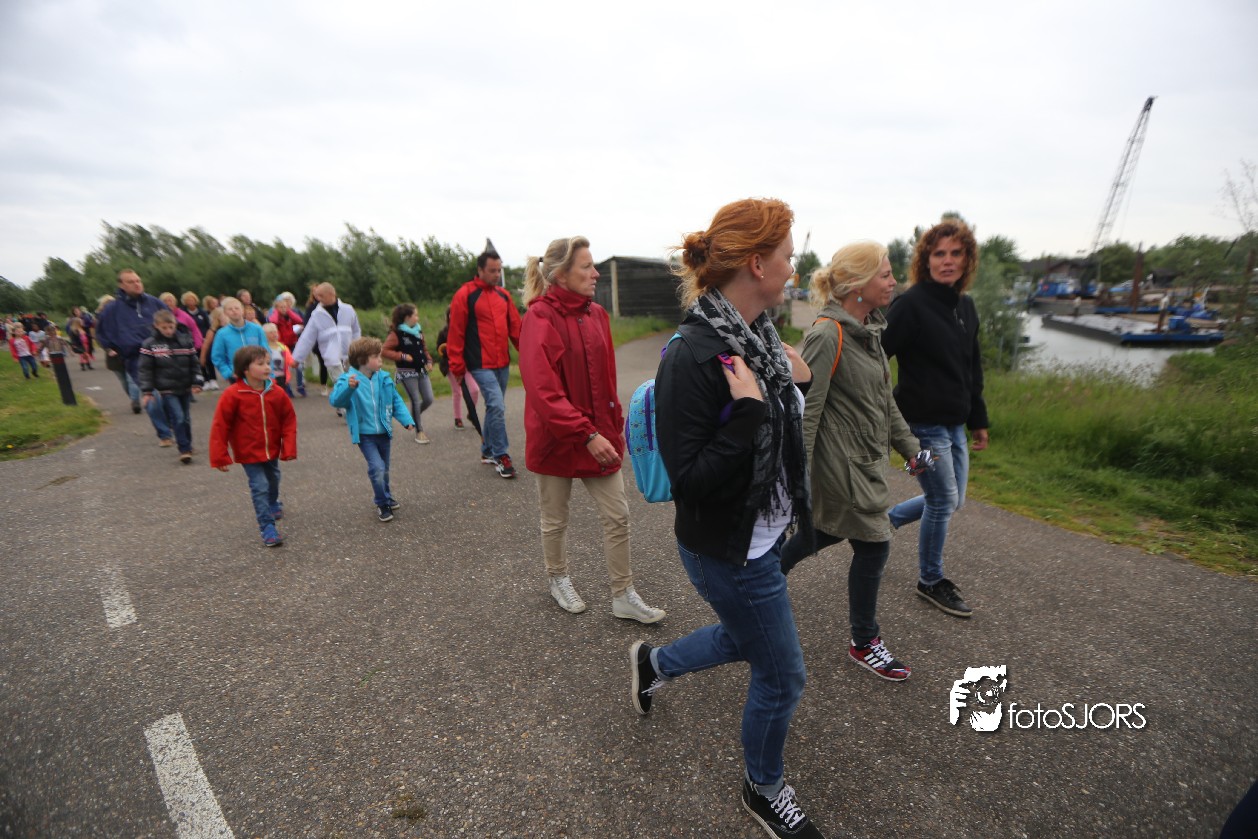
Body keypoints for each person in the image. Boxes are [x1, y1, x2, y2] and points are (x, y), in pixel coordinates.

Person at [628, 198, 825, 839]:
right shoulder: (691, 355)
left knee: (748, 641)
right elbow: (691, 481)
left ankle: (654, 664)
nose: (794, 268)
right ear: (757, 264)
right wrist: (747, 413)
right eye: (788, 256)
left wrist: (794, 384)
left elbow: (776, 422)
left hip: (761, 534)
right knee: (782, 674)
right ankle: (763, 788)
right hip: (727, 548)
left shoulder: (759, 338)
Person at [778, 241, 934, 682]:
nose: (894, 282)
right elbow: (806, 410)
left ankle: (761, 583)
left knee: (822, 533)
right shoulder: (829, 334)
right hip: (840, 469)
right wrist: (796, 478)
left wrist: (911, 448)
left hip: (865, 464)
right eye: (885, 274)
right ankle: (864, 642)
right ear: (857, 285)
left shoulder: (869, 331)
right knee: (874, 543)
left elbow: (885, 402)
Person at [519, 236, 665, 623]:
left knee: (618, 515)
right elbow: (543, 390)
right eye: (586, 267)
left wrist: (613, 426)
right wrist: (586, 434)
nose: (596, 273)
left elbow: (606, 378)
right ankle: (558, 579)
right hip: (556, 438)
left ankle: (623, 594)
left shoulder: (598, 314)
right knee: (555, 518)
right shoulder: (539, 318)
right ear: (561, 275)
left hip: (598, 436)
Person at [882, 219, 989, 619]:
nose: (947, 261)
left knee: (952, 499)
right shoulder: (911, 304)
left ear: (967, 259)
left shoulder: (965, 306)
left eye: (955, 253)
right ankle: (930, 580)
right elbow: (876, 356)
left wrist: (978, 419)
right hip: (921, 424)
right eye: (939, 254)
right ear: (925, 260)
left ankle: (886, 522)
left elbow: (971, 368)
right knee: (942, 500)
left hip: (954, 423)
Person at [209, 345, 298, 548]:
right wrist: (220, 456)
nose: (267, 367)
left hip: (271, 449)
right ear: (245, 369)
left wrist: (289, 447)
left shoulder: (277, 392)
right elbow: (220, 425)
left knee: (274, 479)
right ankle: (267, 527)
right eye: (260, 364)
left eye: (268, 363)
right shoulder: (233, 394)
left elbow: (289, 420)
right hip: (248, 452)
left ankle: (273, 503)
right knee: (260, 486)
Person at [447, 249, 522, 478]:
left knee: (493, 407)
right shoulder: (465, 294)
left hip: (502, 363)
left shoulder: (503, 295)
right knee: (497, 406)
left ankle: (488, 450)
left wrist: (529, 353)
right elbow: (456, 332)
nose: (497, 274)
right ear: (480, 270)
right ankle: (502, 455)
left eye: (499, 270)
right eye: (492, 270)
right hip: (479, 364)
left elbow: (516, 328)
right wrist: (457, 366)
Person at [329, 337, 415, 523]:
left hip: (384, 432)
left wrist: (406, 420)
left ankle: (387, 495)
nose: (380, 360)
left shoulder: (383, 378)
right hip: (365, 435)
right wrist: (349, 389)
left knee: (384, 469)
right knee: (377, 468)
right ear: (362, 360)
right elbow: (336, 401)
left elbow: (396, 400)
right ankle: (381, 502)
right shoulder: (348, 380)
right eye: (376, 357)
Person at [95, 269, 170, 414]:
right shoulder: (112, 309)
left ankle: (174, 424)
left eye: (138, 281)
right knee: (152, 397)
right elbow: (102, 332)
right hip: (136, 359)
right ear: (121, 285)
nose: (136, 284)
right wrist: (110, 348)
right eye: (131, 282)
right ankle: (162, 427)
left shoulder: (154, 303)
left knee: (172, 398)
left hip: (161, 354)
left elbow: (172, 323)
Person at [138, 309, 203, 463]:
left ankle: (188, 444)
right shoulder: (150, 345)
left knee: (186, 418)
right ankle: (184, 449)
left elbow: (194, 364)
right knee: (178, 417)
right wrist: (147, 391)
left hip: (185, 386)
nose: (168, 330)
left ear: (175, 325)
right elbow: (145, 369)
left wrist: (197, 382)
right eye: (164, 328)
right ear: (156, 326)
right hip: (166, 388)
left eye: (171, 327)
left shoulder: (185, 341)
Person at [293, 282, 361, 417]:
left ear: (331, 294)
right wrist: (297, 358)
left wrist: (358, 349)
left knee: (353, 380)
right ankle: (347, 409)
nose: (317, 298)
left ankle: (344, 403)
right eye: (316, 296)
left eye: (321, 295)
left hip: (349, 354)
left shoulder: (348, 309)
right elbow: (307, 337)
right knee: (341, 382)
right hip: (331, 355)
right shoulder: (316, 314)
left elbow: (356, 330)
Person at [382, 304, 435, 444]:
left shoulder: (418, 331)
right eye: (415, 315)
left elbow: (424, 349)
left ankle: (413, 416)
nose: (418, 318)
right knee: (415, 400)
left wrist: (429, 360)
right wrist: (402, 356)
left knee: (429, 399)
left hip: (421, 371)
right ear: (407, 317)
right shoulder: (396, 334)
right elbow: (384, 350)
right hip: (406, 373)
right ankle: (419, 431)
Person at [436, 306, 480, 432]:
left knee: (475, 390)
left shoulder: (468, 330)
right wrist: (447, 349)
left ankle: (471, 413)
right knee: (457, 391)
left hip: (467, 365)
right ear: (448, 316)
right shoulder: (444, 332)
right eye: (451, 314)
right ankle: (457, 418)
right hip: (450, 365)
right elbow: (439, 348)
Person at [210, 297, 268, 384]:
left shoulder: (257, 329)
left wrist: (267, 370)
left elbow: (266, 351)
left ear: (242, 310)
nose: (234, 311)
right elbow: (217, 357)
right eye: (230, 309)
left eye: (237, 308)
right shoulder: (221, 334)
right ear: (225, 313)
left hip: (258, 373)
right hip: (236, 376)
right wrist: (228, 373)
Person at [268, 293, 306, 396]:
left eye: (285, 307)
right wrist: (276, 311)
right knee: (284, 368)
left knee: (298, 365)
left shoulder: (290, 316)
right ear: (276, 308)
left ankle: (300, 385)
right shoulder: (275, 316)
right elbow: (272, 321)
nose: (284, 309)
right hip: (281, 346)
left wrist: (289, 311)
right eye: (281, 307)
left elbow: (299, 320)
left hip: (292, 343)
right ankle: (287, 388)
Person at [262, 323, 297, 396]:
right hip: (269, 376)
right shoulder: (263, 347)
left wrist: (294, 363)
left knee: (281, 395)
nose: (274, 334)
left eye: (275, 332)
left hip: (282, 376)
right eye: (271, 332)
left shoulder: (282, 347)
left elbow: (290, 360)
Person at [199, 306, 228, 390]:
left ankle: (213, 380)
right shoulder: (213, 330)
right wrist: (202, 357)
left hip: (227, 353)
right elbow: (206, 344)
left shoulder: (231, 328)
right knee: (208, 362)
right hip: (214, 352)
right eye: (223, 315)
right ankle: (208, 380)